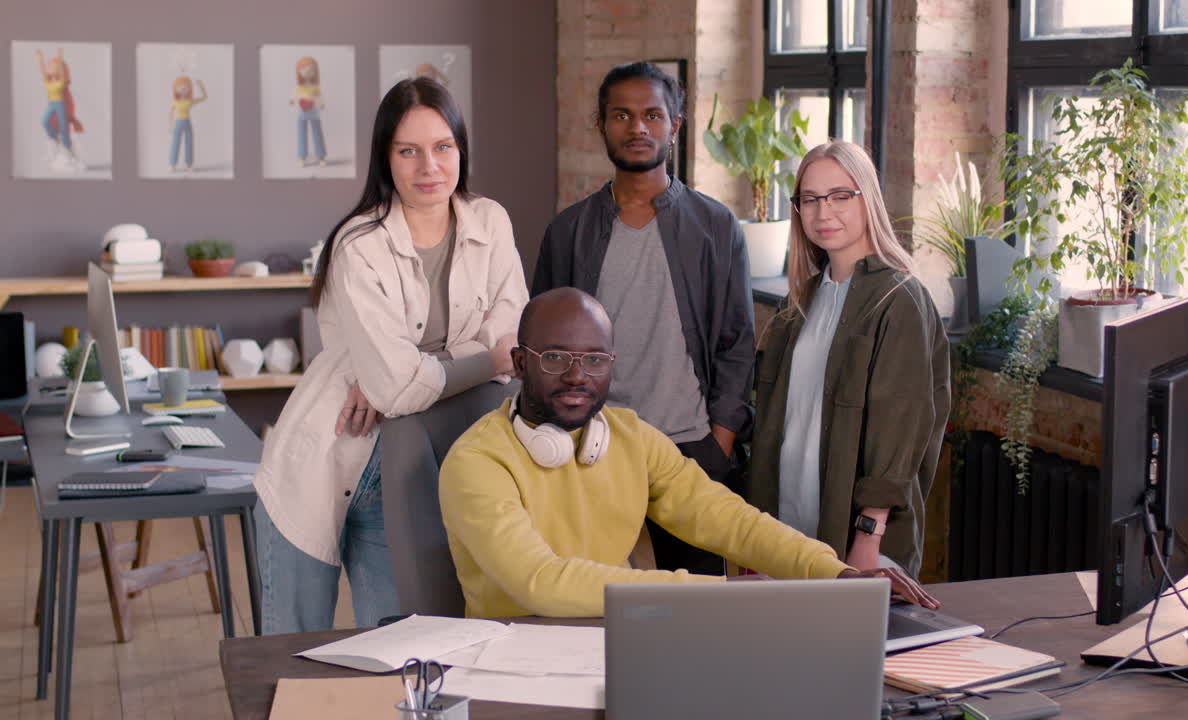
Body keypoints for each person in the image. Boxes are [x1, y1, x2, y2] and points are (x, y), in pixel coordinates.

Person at [438, 288, 937, 618]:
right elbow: (539, 581)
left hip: (613, 644)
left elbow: (725, 518)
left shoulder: (629, 436)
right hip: (510, 663)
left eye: (595, 359)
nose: (577, 376)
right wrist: (713, 597)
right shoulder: (477, 461)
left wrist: (833, 572)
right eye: (555, 358)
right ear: (522, 363)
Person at [252, 77, 527, 634]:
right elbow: (422, 380)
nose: (429, 166)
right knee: (293, 658)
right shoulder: (359, 243)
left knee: (402, 654)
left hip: (407, 470)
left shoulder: (490, 222)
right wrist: (486, 361)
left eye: (442, 147)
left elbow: (511, 325)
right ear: (387, 158)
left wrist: (404, 376)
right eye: (409, 151)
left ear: (461, 150)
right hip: (326, 461)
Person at [532, 62, 754, 576]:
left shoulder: (715, 226)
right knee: (590, 602)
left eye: (652, 115)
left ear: (675, 126)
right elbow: (542, 348)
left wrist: (719, 438)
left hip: (690, 447)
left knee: (695, 606)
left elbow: (737, 343)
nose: (637, 128)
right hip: (591, 445)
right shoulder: (568, 230)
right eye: (622, 115)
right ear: (602, 125)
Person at [746, 140, 950, 578]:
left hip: (856, 540)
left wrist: (867, 538)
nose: (824, 213)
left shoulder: (899, 300)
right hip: (788, 531)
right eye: (810, 199)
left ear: (868, 198)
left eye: (841, 195)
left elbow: (901, 433)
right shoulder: (799, 303)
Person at [169, 76, 207, 172]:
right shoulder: (175, 102)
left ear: (189, 88)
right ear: (175, 89)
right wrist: (170, 126)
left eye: (185, 86)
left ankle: (189, 164)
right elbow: (170, 113)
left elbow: (204, 97)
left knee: (189, 142)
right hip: (178, 123)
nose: (182, 88)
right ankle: (172, 164)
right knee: (175, 143)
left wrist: (200, 85)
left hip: (188, 122)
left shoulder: (190, 101)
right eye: (180, 86)